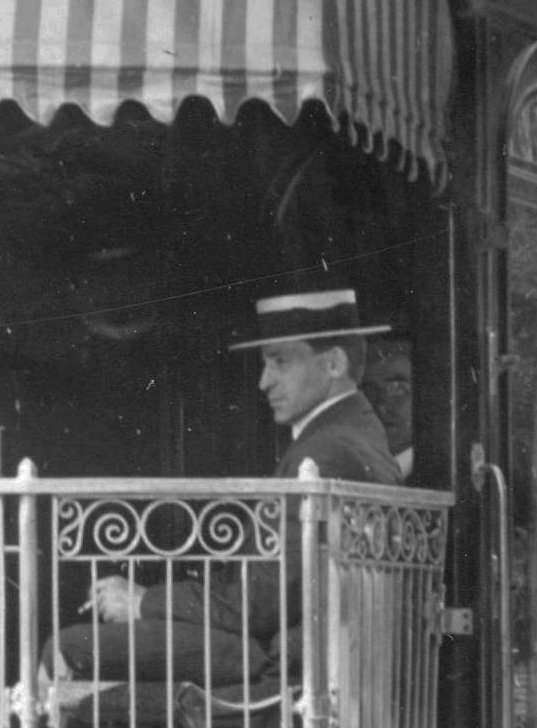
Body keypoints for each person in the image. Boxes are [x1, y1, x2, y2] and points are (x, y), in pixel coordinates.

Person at [39, 287, 402, 697]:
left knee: (68, 648)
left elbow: (261, 605)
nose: (265, 382)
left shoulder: (326, 452)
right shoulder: (354, 436)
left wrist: (143, 603)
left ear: (333, 363)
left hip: (274, 659)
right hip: (300, 649)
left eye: (279, 362)